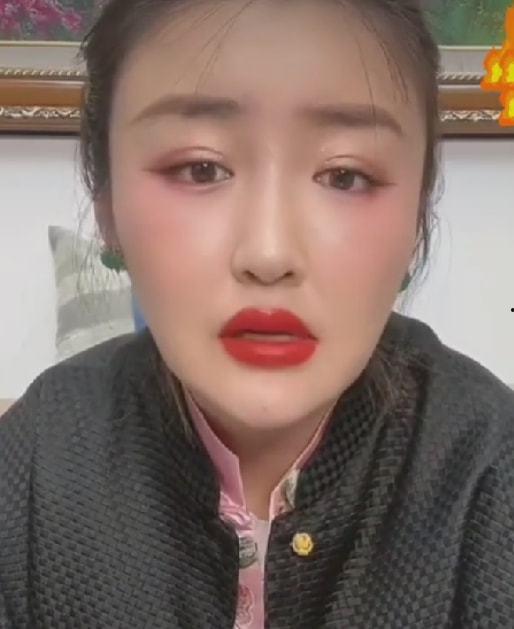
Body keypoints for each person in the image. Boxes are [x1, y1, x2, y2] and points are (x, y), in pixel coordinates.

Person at [1, 0, 513, 627]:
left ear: (417, 215)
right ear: (106, 205)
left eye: (345, 176)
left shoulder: (491, 475)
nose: (269, 254)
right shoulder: (34, 466)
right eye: (201, 169)